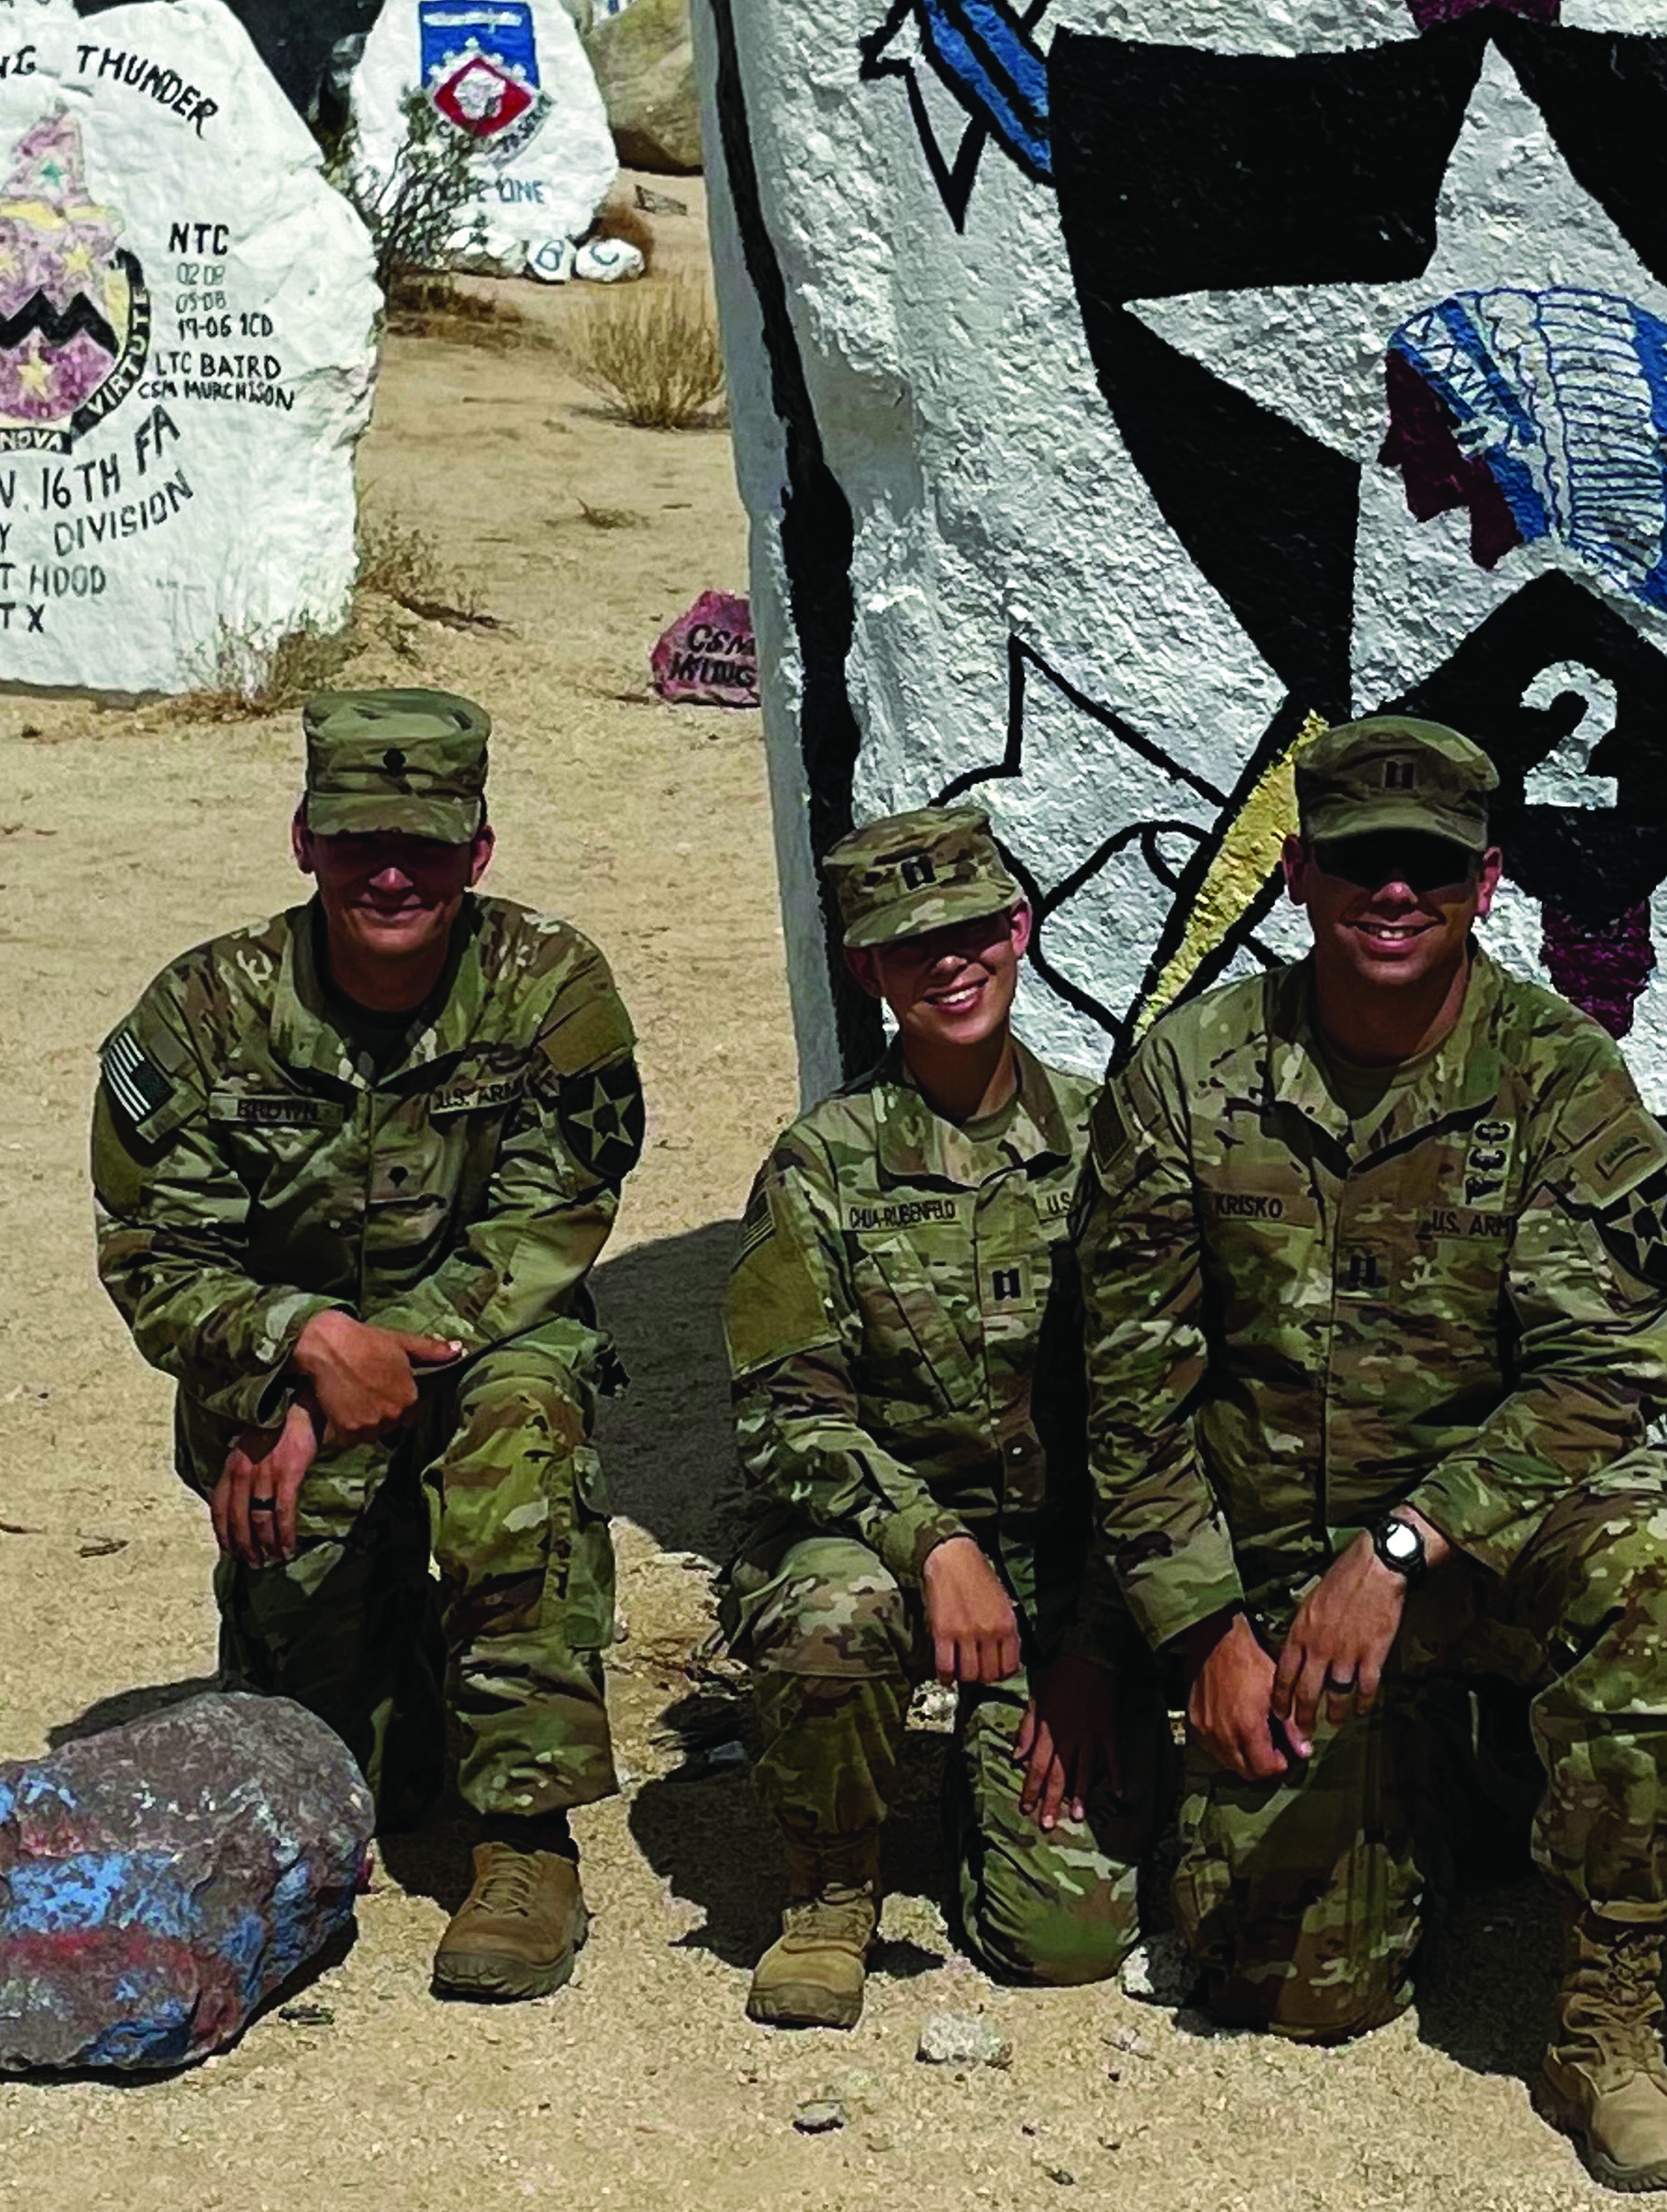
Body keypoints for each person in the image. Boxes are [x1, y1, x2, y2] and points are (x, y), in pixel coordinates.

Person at [1069, 716, 1667, 2186]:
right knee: (1293, 1992)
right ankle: (1436, 1782)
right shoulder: (1191, 1072)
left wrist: (1405, 1546)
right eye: (1360, 862)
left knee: (1649, 1556)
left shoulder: (1557, 1074)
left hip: (1467, 1553)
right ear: (1298, 871)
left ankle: (1606, 2022)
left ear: (1483, 885)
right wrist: (1200, 1636)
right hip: (1273, 1576)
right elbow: (1130, 1392)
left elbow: (1603, 1370)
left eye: (1427, 868)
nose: (1391, 893)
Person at [90, 687, 643, 2003]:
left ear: (480, 852)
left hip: (478, 1354)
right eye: (355, 844)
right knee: (358, 1777)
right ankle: (367, 1691)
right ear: (302, 841)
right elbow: (152, 1255)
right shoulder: (205, 1013)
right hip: (282, 1386)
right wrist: (294, 1353)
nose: (390, 875)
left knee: (522, 1428)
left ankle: (525, 1839)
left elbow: (548, 1225)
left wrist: (352, 1364)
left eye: (427, 848)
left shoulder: (550, 989)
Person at [719, 806, 1155, 2028]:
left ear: (1020, 930)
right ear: (866, 970)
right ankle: (831, 1887)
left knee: (1066, 1940)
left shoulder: (1114, 1141)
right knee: (827, 1609)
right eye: (909, 948)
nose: (947, 965)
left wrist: (1095, 1648)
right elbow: (786, 1416)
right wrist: (933, 1543)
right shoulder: (822, 1165)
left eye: (970, 932)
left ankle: (991, 1781)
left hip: (1068, 1573)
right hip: (895, 1553)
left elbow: (1160, 1415)